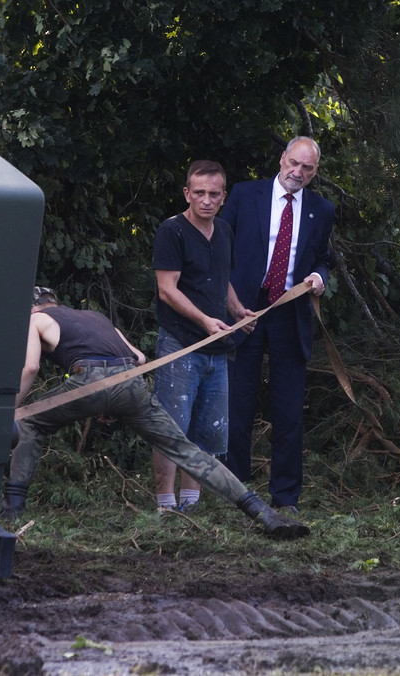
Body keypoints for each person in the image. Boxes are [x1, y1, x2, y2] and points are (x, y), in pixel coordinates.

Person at [2, 286, 309, 539]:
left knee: (29, 424)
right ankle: (262, 513)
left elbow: (30, 366)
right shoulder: (94, 316)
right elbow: (137, 357)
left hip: (89, 382)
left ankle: (13, 508)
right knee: (185, 450)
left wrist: (10, 409)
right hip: (130, 383)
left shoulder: (36, 320)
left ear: (32, 307)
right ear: (55, 301)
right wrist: (111, 399)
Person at [221, 137, 335, 512]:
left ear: (315, 172)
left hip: (290, 313)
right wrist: (233, 305)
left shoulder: (322, 209)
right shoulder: (243, 194)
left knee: (288, 411)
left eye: (307, 168)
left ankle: (286, 497)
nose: (297, 173)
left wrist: (319, 277)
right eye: (294, 164)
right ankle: (236, 491)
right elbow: (220, 249)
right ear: (282, 158)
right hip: (244, 311)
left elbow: (322, 258)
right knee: (238, 402)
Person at [152, 160, 250, 513]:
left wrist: (237, 311)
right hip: (180, 343)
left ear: (223, 196)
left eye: (213, 194)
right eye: (199, 193)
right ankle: (165, 505)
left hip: (217, 347)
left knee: (206, 431)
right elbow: (167, 290)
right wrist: (207, 320)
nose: (206, 200)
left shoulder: (223, 230)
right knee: (170, 429)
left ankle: (190, 506)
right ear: (187, 194)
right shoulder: (172, 231)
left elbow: (220, 279)